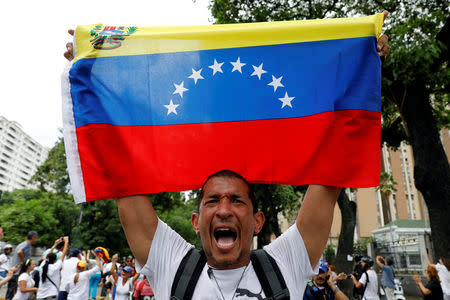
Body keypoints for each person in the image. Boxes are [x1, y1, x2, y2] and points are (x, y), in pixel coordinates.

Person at [63, 13, 390, 299]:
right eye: (211, 201)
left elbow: (331, 170)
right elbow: (123, 175)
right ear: (195, 222)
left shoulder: (285, 263)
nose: (223, 210)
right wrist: (93, 72)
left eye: (237, 200)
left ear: (258, 221)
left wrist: (360, 65)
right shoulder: (171, 264)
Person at [6, 231, 38, 300]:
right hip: (17, 272)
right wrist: (24, 262)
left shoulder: (22, 244)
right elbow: (19, 252)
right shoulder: (27, 244)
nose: (36, 240)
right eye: (36, 238)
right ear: (33, 238)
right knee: (11, 294)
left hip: (15, 271)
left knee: (11, 293)